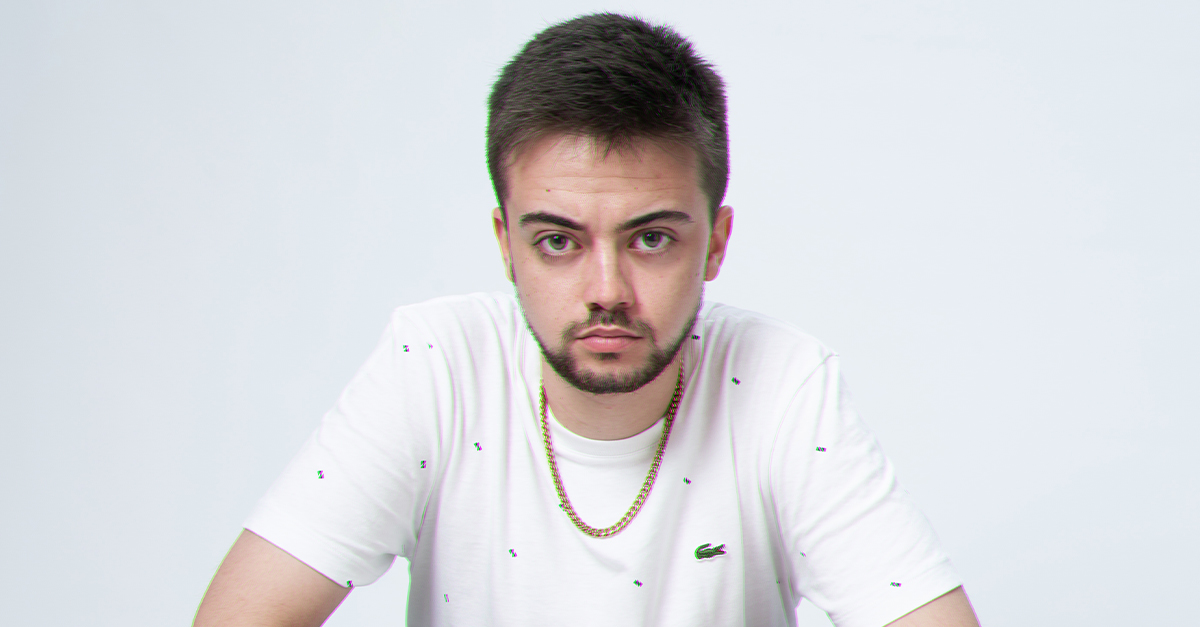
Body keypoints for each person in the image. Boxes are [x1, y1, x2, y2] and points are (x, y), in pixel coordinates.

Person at [194, 13, 980, 627]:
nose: (607, 290)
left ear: (716, 243)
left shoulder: (780, 384)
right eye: (558, 241)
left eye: (650, 238)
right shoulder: (436, 364)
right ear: (506, 244)